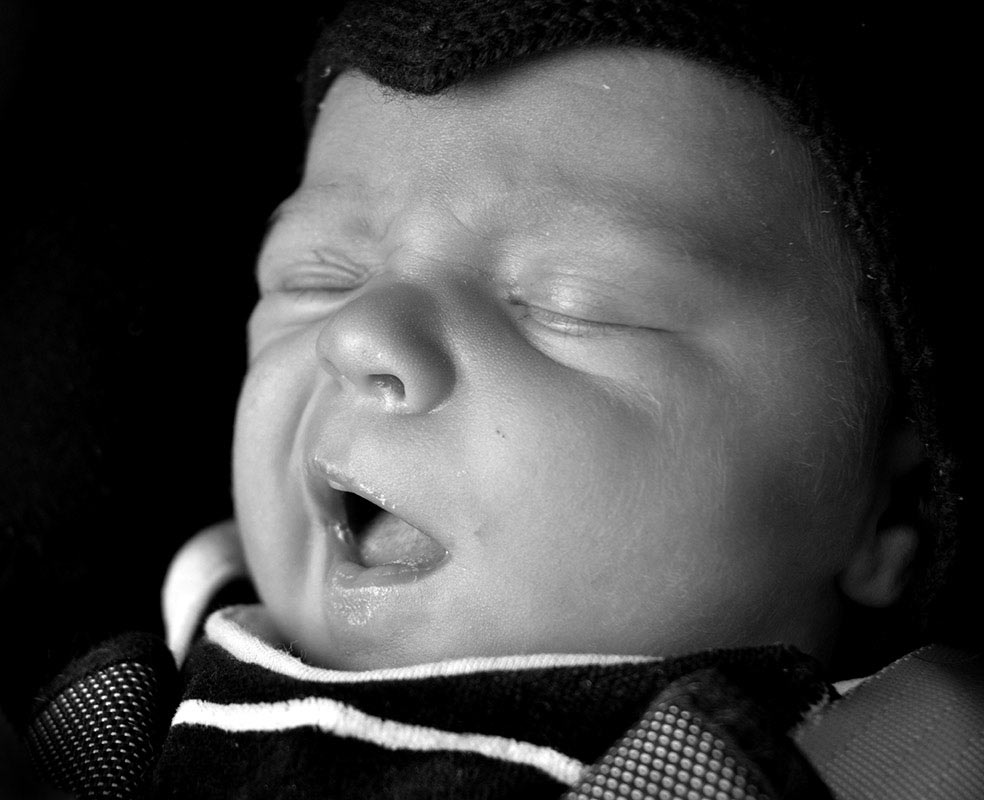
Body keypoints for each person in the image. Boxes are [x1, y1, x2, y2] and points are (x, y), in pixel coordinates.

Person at [28, 1, 982, 798]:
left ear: (887, 512)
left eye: (574, 300)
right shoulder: (130, 676)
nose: (357, 334)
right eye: (316, 278)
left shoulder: (889, 759)